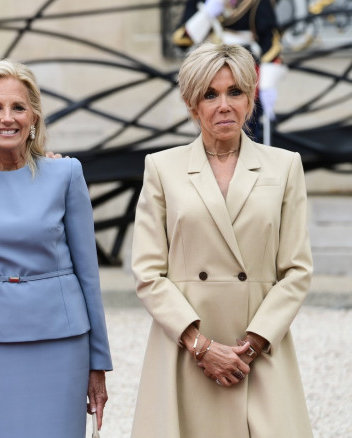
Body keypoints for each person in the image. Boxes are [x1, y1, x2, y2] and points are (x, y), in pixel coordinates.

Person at [130, 43, 313, 438]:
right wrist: (201, 346)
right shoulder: (162, 168)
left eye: (235, 92)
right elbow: (147, 271)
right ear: (192, 104)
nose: (224, 104)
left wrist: (251, 343)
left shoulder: (285, 166)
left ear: (251, 98)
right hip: (186, 352)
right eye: (210, 94)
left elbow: (297, 269)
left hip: (258, 355)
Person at [0, 59, 113, 438]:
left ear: (34, 115)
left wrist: (98, 360)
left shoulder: (66, 174)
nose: (7, 118)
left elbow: (88, 274)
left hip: (63, 343)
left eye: (18, 107)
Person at [172, 0, 287, 143]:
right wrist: (206, 14)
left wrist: (268, 84)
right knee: (209, 133)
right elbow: (182, 41)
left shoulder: (256, 3)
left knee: (246, 132)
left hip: (242, 72)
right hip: (207, 73)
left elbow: (270, 44)